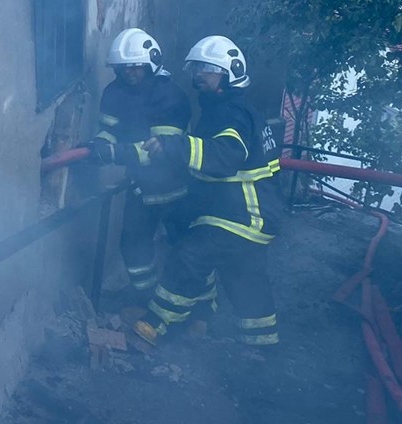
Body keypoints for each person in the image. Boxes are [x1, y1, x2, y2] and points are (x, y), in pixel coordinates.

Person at [110, 35, 282, 349]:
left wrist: (175, 145)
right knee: (245, 277)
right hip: (249, 214)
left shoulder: (232, 113)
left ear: (230, 72)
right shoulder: (233, 110)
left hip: (241, 214)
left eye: (208, 69)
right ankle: (262, 347)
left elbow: (224, 156)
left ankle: (155, 325)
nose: (198, 75)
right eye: (197, 68)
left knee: (188, 257)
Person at [85, 28, 192, 298]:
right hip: (140, 189)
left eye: (134, 68)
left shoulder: (172, 97)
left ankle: (200, 309)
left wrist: (113, 153)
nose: (128, 75)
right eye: (122, 69)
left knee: (186, 250)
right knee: (132, 246)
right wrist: (99, 144)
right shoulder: (114, 93)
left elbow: (159, 152)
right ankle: (145, 298)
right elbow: (109, 129)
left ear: (150, 64)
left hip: (177, 191)